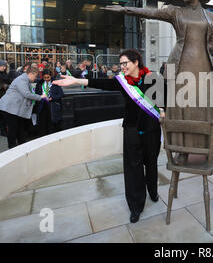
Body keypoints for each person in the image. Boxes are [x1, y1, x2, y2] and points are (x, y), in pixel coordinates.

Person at [102, 0, 213, 157]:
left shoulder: (212, 16)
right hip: (179, 64)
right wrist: (125, 10)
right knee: (179, 106)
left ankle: (204, 145)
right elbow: (150, 12)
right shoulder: (175, 12)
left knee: (202, 105)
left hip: (203, 64)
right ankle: (181, 146)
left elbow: (211, 43)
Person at [54, 49, 164, 223]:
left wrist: (163, 110)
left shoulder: (153, 78)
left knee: (151, 163)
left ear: (136, 62)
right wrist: (76, 80)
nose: (122, 67)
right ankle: (135, 206)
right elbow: (101, 83)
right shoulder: (122, 82)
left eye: (125, 63)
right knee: (133, 169)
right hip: (131, 130)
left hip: (151, 129)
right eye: (120, 64)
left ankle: (153, 191)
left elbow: (162, 98)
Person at [0, 67, 47, 148]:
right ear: (31, 74)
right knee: (13, 127)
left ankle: (21, 143)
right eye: (35, 76)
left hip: (14, 108)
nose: (36, 78)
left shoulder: (25, 80)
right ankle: (12, 146)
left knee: (20, 126)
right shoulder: (22, 80)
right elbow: (26, 94)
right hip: (10, 107)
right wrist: (40, 97)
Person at [33, 70, 64, 136]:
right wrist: (40, 97)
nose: (46, 79)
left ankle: (51, 135)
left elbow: (61, 94)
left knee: (51, 121)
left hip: (52, 105)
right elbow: (36, 94)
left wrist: (52, 97)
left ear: (51, 76)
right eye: (45, 77)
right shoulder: (39, 84)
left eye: (48, 77)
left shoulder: (55, 83)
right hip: (42, 105)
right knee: (42, 121)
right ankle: (42, 136)